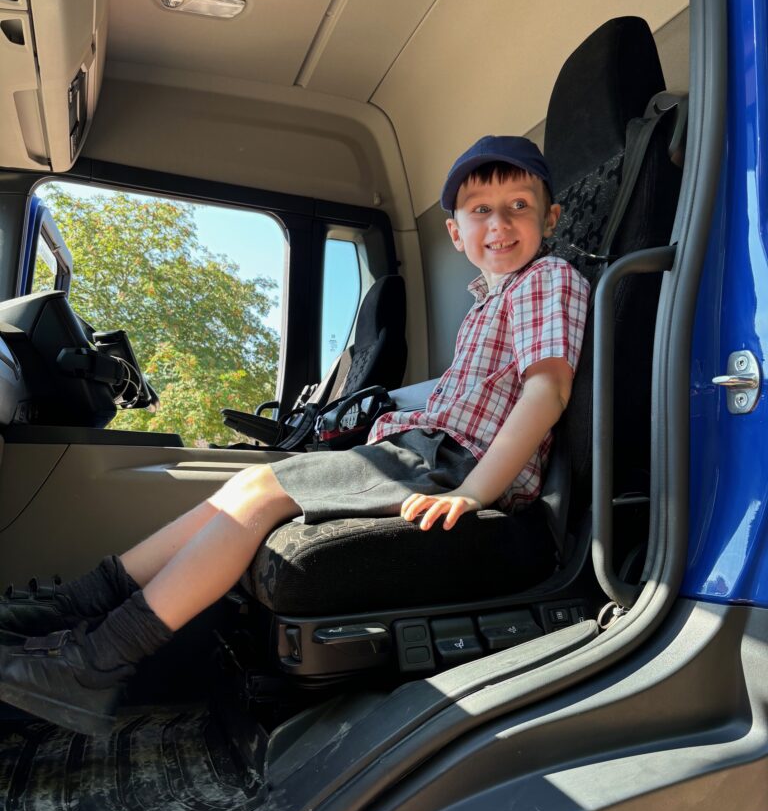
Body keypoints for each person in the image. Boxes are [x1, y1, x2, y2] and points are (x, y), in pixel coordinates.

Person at [0, 135, 589, 735]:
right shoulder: (492, 299)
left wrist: (476, 492)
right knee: (248, 486)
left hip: (453, 462)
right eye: (481, 211)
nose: (500, 224)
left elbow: (547, 392)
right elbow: (476, 388)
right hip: (424, 449)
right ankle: (76, 608)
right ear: (456, 232)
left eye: (518, 205)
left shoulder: (548, 278)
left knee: (259, 494)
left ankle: (97, 664)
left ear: (551, 217)